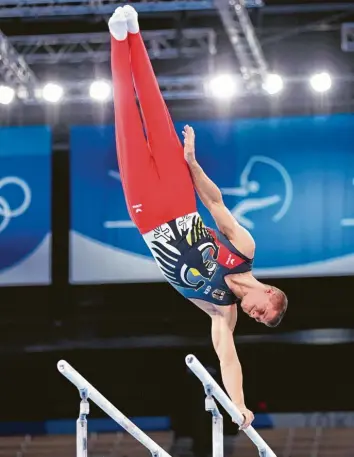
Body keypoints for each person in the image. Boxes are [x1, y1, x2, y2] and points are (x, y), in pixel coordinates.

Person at [108, 5, 288, 429]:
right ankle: (134, 34)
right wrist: (192, 163)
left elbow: (229, 359)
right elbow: (217, 203)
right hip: (180, 196)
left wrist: (239, 405)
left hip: (149, 216)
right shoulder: (244, 250)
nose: (257, 316)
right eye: (264, 312)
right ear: (269, 293)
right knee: (154, 108)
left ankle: (117, 42)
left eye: (259, 320)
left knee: (126, 120)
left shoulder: (221, 311)